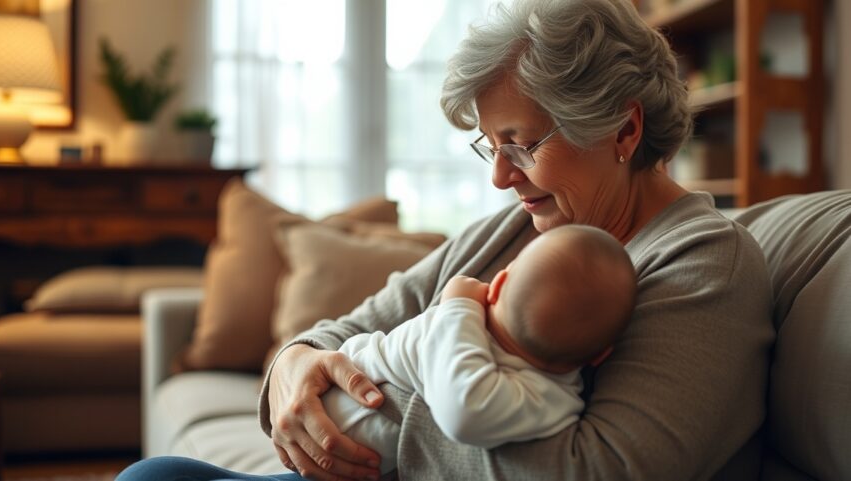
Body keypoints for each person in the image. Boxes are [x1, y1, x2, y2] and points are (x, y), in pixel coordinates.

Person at [117, 0, 774, 479]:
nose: (498, 176)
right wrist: (292, 367)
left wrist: (405, 385)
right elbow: (334, 334)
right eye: (489, 147)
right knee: (157, 475)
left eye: (521, 145)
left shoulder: (704, 263)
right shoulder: (521, 228)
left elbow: (594, 471)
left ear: (624, 132)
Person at [320, 224, 636, 476]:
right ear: (601, 355)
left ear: (496, 286)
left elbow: (464, 411)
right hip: (327, 413)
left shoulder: (457, 326)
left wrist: (459, 304)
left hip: (338, 446)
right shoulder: (553, 400)